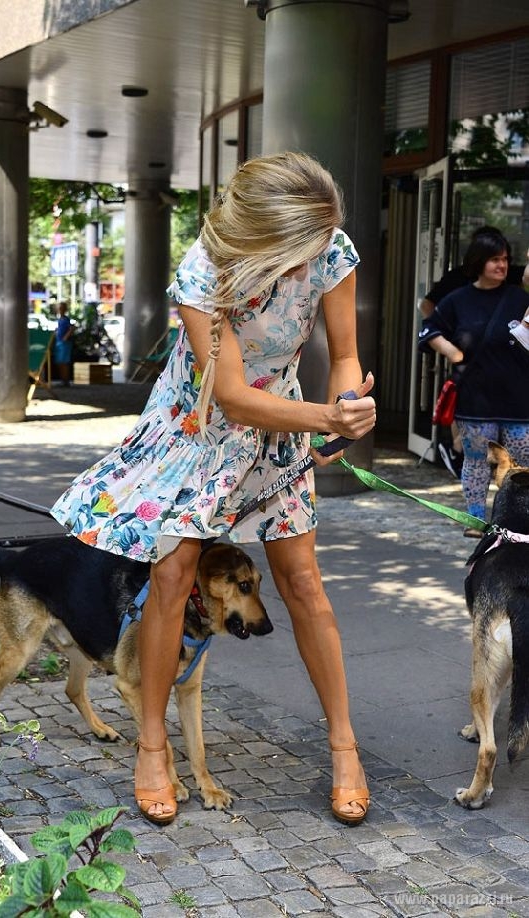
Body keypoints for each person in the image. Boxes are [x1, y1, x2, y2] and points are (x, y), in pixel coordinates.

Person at [51, 151, 377, 827]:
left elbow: (344, 354)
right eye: (299, 250)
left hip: (282, 414)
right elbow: (229, 396)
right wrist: (324, 416)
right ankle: (151, 745)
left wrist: (349, 403)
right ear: (263, 236)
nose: (311, 261)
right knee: (172, 576)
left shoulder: (328, 245)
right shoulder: (206, 269)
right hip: (198, 421)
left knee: (303, 581)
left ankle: (345, 747)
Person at [418, 230, 529, 536]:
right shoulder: (458, 300)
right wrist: (450, 350)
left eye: (505, 259)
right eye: (495, 259)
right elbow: (428, 330)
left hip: (519, 401)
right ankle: (477, 520)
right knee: (477, 460)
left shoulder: (520, 299)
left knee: (523, 464)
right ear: (479, 262)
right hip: (475, 400)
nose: (502, 265)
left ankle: (516, 518)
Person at [54, 301, 74, 385]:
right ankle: (63, 379)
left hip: (64, 343)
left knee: (64, 362)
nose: (60, 310)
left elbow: (71, 328)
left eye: (61, 308)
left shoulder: (66, 319)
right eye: (59, 308)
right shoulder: (60, 320)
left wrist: (65, 337)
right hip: (59, 342)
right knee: (60, 362)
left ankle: (66, 381)